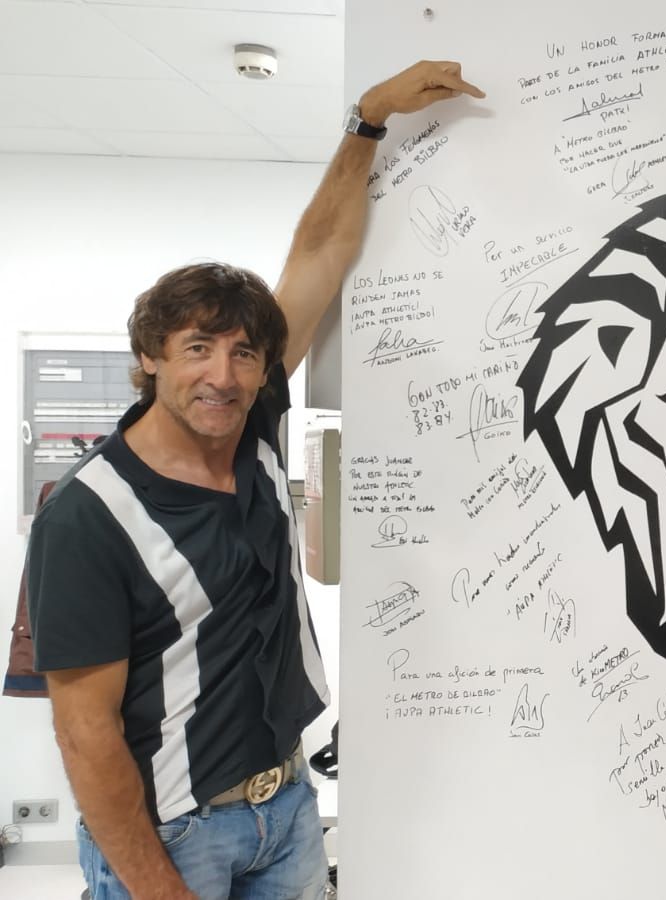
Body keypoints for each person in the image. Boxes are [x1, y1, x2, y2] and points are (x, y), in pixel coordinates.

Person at [25, 61, 484, 900]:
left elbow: (319, 252)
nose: (224, 376)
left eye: (243, 352)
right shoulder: (90, 516)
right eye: (197, 348)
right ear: (149, 360)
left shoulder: (253, 428)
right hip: (172, 833)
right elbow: (85, 732)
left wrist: (369, 120)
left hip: (289, 807)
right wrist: (159, 889)